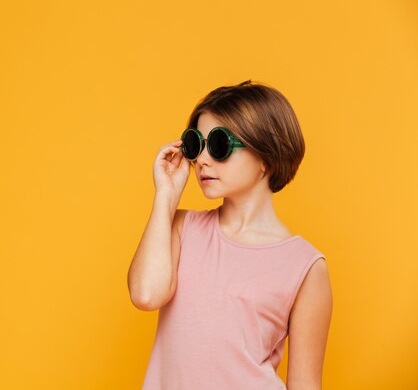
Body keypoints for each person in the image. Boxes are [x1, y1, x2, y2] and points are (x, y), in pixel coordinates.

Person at [127, 80, 333, 390]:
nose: (203, 161)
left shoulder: (306, 267)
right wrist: (166, 197)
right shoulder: (181, 228)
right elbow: (145, 295)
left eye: (220, 145)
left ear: (265, 156)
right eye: (197, 145)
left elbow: (305, 384)